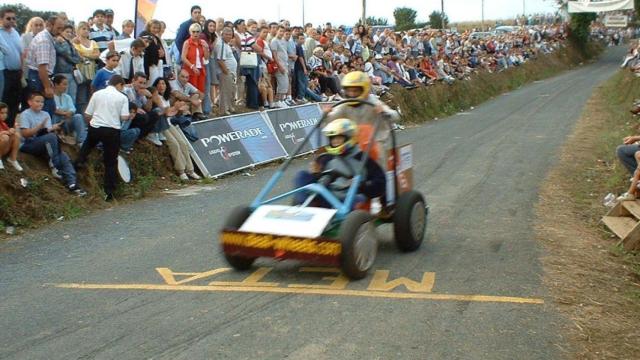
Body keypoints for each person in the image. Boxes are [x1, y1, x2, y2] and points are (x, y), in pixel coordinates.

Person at [293, 118, 386, 208]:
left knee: (358, 199)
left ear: (349, 138)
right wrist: (316, 174)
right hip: (327, 195)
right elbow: (322, 180)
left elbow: (380, 184)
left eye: (339, 138)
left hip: (348, 199)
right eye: (332, 139)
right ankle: (302, 207)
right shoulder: (326, 158)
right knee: (301, 175)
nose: (335, 141)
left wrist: (362, 185)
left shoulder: (364, 159)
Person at [325, 71, 399, 167]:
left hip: (375, 140)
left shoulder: (373, 101)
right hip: (354, 141)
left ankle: (377, 177)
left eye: (355, 91)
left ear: (364, 89)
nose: (351, 94)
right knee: (338, 155)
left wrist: (384, 112)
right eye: (349, 91)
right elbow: (332, 119)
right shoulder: (344, 104)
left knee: (376, 158)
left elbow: (395, 116)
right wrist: (326, 113)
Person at [19, 92, 86, 196]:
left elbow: (48, 132)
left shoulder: (45, 114)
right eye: (37, 101)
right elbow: (25, 134)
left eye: (42, 102)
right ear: (29, 102)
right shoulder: (25, 114)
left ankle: (72, 184)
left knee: (64, 156)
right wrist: (39, 127)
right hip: (29, 143)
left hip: (45, 142)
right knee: (51, 138)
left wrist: (53, 128)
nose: (40, 104)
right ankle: (54, 166)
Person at [75, 75, 130, 201]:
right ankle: (109, 191)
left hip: (96, 127)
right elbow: (124, 116)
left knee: (88, 145)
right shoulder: (122, 97)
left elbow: (88, 113)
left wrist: (92, 122)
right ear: (119, 85)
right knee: (110, 161)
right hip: (112, 129)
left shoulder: (97, 94)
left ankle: (78, 163)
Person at [150, 77, 200, 180]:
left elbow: (170, 114)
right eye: (159, 84)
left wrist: (179, 109)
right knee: (174, 144)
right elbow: (166, 113)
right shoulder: (156, 98)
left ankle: (190, 170)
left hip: (169, 123)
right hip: (162, 125)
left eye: (163, 84)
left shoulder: (166, 98)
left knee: (183, 144)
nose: (161, 86)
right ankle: (181, 171)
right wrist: (176, 108)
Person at [26, 15, 65, 118]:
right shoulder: (44, 40)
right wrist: (47, 87)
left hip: (42, 76)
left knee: (49, 108)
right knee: (44, 110)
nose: (60, 31)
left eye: (62, 28)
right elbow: (42, 67)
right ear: (49, 25)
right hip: (39, 77)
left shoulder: (48, 38)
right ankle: (41, 133)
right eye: (58, 28)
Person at [0, 8, 24, 127]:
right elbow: (6, 51)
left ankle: (9, 128)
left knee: (15, 103)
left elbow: (21, 52)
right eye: (8, 18)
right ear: (1, 19)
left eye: (13, 18)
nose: (11, 21)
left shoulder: (15, 33)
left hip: (17, 73)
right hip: (5, 73)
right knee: (4, 102)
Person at [123, 72, 160, 143]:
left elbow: (148, 108)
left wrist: (149, 97)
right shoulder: (127, 89)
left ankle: (138, 137)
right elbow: (125, 105)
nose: (142, 85)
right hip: (127, 113)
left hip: (137, 113)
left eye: (144, 83)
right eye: (140, 82)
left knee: (155, 115)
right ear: (133, 81)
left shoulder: (142, 91)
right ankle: (129, 136)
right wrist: (136, 109)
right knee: (143, 117)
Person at [72, 22, 100, 114]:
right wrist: (90, 55)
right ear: (78, 30)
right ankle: (82, 118)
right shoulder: (75, 42)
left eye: (87, 29)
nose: (86, 31)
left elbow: (97, 55)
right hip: (81, 73)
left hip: (92, 73)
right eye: (83, 29)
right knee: (81, 97)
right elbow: (77, 55)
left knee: (91, 96)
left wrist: (85, 55)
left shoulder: (93, 42)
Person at [51, 75, 87, 146]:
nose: (66, 87)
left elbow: (72, 109)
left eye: (67, 84)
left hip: (66, 121)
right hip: (56, 122)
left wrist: (68, 112)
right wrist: (65, 113)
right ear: (56, 85)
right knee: (55, 116)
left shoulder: (67, 97)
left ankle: (81, 141)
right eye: (64, 84)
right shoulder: (51, 97)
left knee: (78, 116)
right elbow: (54, 109)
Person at [53, 23, 81, 103]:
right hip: (61, 73)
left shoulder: (71, 44)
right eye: (67, 32)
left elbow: (77, 58)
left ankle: (71, 113)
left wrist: (71, 58)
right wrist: (65, 43)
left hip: (71, 73)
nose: (69, 34)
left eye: (71, 32)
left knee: (72, 97)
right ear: (61, 32)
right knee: (62, 96)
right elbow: (64, 52)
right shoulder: (58, 42)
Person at [181, 23, 208, 93]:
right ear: (190, 32)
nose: (195, 33)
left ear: (200, 33)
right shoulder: (187, 43)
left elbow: (206, 58)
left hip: (201, 70)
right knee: (192, 91)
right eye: (193, 31)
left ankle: (200, 104)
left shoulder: (202, 42)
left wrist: (206, 48)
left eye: (197, 31)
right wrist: (192, 66)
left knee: (201, 91)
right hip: (190, 70)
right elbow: (183, 57)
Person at [216, 27, 237, 116]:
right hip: (225, 72)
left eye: (230, 34)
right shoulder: (221, 44)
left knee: (230, 91)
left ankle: (229, 107)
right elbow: (220, 60)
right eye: (226, 34)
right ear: (222, 34)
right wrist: (226, 71)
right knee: (225, 92)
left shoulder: (226, 44)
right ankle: (223, 110)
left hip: (230, 72)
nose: (229, 36)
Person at [0, 102, 22, 171]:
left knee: (16, 135)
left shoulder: (3, 123)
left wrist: (11, 130)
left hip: (4, 148)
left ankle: (12, 159)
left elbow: (8, 132)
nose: (4, 115)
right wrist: (4, 132)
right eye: (2, 113)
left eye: (6, 113)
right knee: (5, 137)